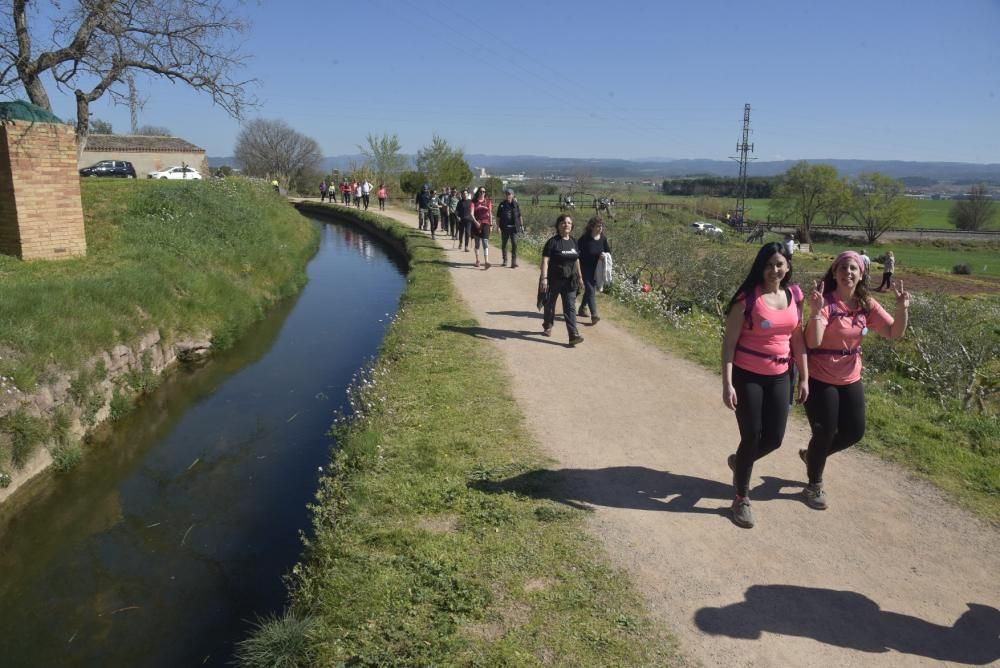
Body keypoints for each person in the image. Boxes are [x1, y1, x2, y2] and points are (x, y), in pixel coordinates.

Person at [801, 251, 909, 510]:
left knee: (854, 432)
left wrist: (902, 309)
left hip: (850, 376)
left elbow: (894, 333)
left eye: (854, 269)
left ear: (861, 275)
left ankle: (814, 455)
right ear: (835, 272)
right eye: (843, 268)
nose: (848, 272)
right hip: (820, 377)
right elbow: (813, 341)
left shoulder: (866, 303)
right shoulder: (825, 302)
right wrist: (816, 312)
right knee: (824, 432)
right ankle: (814, 484)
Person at [721, 243, 809, 528]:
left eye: (780, 264)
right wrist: (727, 383)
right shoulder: (747, 299)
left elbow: (797, 338)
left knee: (774, 437)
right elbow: (729, 345)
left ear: (788, 266)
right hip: (748, 376)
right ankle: (741, 498)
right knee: (751, 435)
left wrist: (805, 377)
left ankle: (741, 462)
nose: (775, 270)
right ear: (761, 266)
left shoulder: (794, 295)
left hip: (781, 374)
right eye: (770, 264)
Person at [540, 214, 585, 345]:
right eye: (563, 223)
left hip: (570, 280)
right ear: (558, 226)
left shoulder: (574, 242)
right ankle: (548, 325)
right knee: (549, 305)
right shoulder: (553, 242)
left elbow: (576, 259)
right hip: (554, 279)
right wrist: (544, 278)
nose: (566, 225)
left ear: (572, 226)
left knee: (570, 307)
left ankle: (573, 335)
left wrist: (580, 277)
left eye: (569, 223)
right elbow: (545, 261)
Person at [576, 217, 612, 324]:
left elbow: (608, 252)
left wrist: (604, 256)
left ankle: (582, 308)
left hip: (597, 269)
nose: (600, 228)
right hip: (584, 268)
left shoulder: (603, 238)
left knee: (589, 290)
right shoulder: (584, 239)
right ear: (591, 227)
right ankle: (594, 314)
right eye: (598, 226)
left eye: (601, 226)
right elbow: (577, 253)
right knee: (591, 290)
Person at [496, 188, 523, 268]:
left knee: (514, 244)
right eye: (507, 194)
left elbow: (520, 216)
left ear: (512, 195)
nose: (508, 195)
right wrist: (498, 227)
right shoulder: (502, 205)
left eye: (509, 194)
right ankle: (505, 260)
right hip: (504, 228)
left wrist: (522, 226)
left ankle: (513, 262)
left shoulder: (516, 204)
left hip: (514, 228)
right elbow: (498, 217)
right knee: (504, 244)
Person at [472, 186, 493, 268]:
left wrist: (491, 225)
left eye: (484, 191)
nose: (482, 193)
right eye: (481, 191)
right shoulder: (474, 202)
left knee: (485, 242)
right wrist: (475, 222)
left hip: (486, 224)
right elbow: (471, 213)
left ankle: (486, 262)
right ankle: (477, 260)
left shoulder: (488, 202)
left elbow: (490, 214)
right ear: (478, 192)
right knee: (477, 244)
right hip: (477, 224)